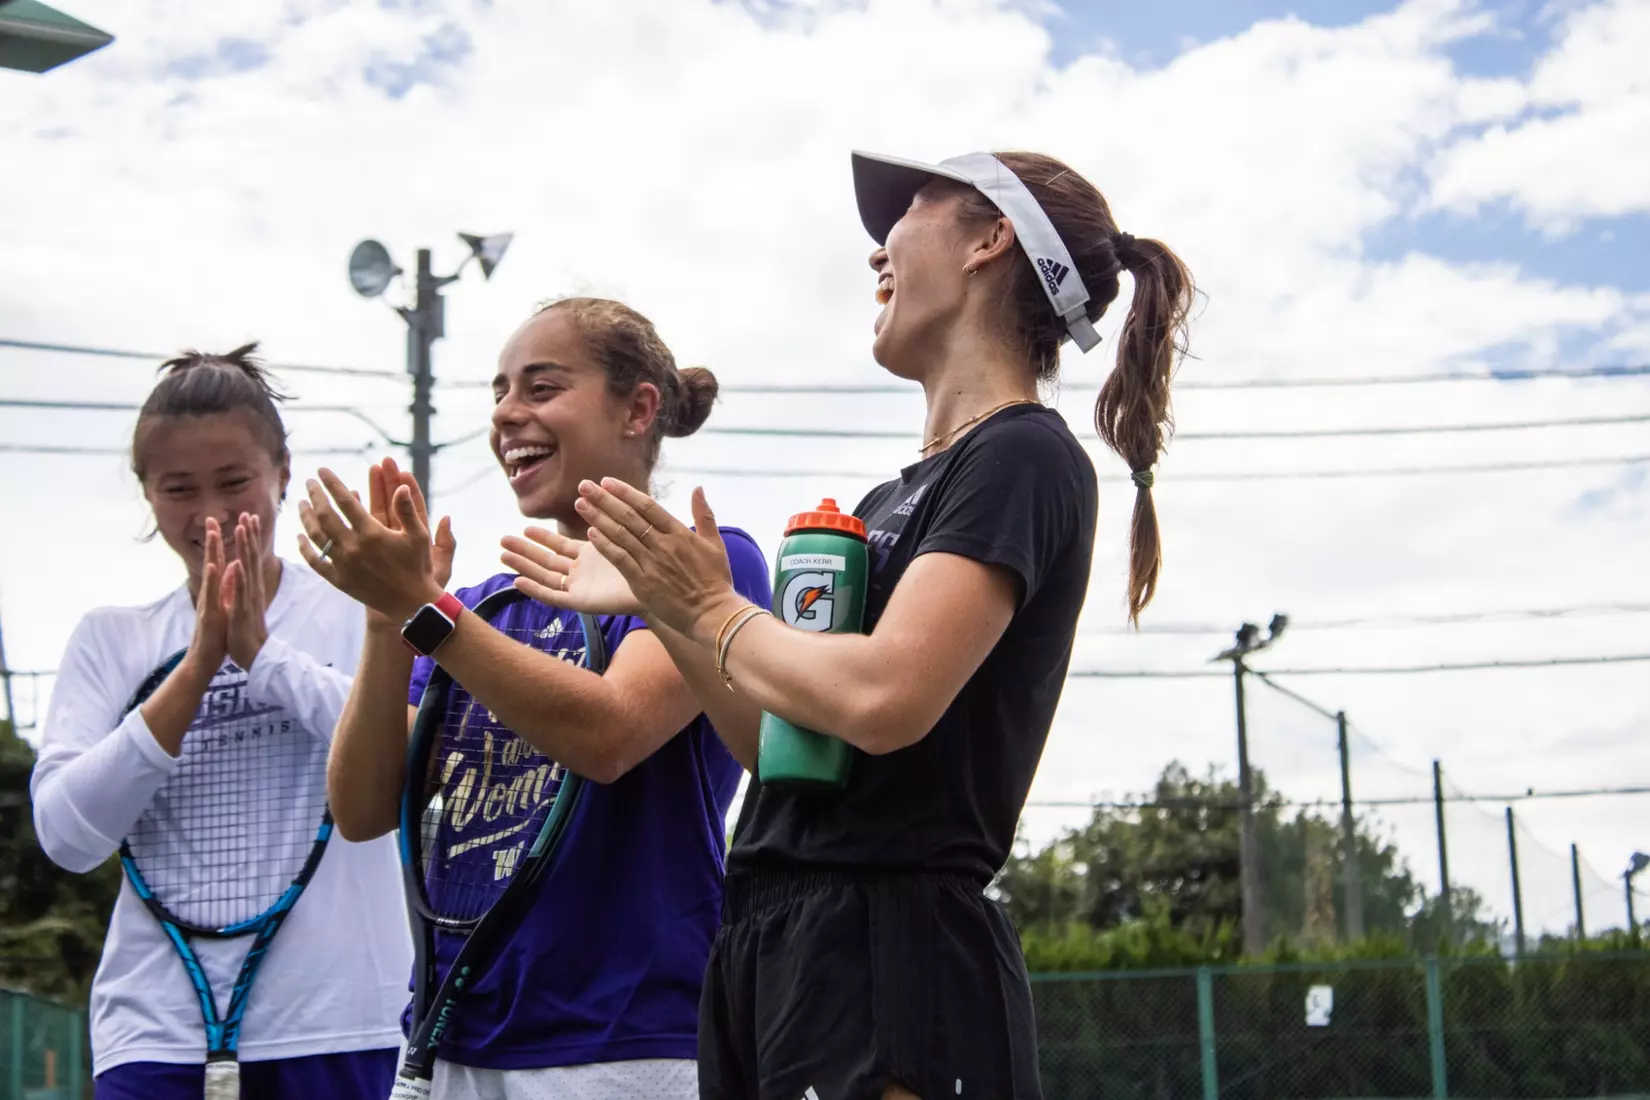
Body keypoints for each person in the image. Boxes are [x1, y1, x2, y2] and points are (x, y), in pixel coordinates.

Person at [525, 150, 1197, 1099]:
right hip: (773, 941)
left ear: (989, 241)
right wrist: (667, 605)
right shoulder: (896, 492)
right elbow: (781, 747)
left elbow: (885, 697)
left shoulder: (1025, 455)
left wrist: (711, 605)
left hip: (889, 947)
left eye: (908, 214)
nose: (876, 252)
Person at [302, 297, 772, 1100]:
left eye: (542, 388)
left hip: (625, 1046)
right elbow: (362, 806)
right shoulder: (483, 608)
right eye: (498, 392)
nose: (507, 415)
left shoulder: (706, 567)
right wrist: (389, 624)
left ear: (638, 408)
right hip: (452, 1038)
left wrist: (426, 611)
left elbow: (610, 735)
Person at [29, 344, 412, 1099]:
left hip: (344, 1024)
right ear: (147, 495)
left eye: (235, 482)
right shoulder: (113, 639)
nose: (210, 514)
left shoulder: (359, 614)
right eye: (179, 489)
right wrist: (198, 666)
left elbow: (416, 760)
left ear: (282, 473)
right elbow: (68, 837)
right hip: (154, 1036)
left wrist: (262, 658)